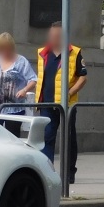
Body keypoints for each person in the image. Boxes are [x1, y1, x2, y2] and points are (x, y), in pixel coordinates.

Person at [36, 22, 88, 181]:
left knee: (69, 138)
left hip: (67, 105)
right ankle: (47, 172)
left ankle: (69, 173)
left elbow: (83, 77)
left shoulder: (75, 52)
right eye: (52, 35)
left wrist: (70, 93)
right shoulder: (42, 53)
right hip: (47, 103)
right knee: (47, 138)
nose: (54, 38)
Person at [0, 32, 38, 135]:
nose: (4, 52)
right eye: (1, 49)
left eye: (6, 48)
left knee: (13, 135)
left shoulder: (21, 61)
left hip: (14, 108)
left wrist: (24, 90)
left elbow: (33, 79)